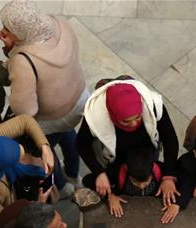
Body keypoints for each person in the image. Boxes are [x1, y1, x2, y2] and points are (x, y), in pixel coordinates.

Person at [0, 0, 87, 195]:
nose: (0, 33)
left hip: (54, 115)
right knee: (68, 133)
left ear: (21, 33)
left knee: (44, 148)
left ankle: (63, 186)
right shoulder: (59, 23)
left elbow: (25, 112)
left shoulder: (24, 61)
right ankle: (74, 174)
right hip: (78, 99)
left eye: (7, 30)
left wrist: (12, 54)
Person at [76, 79, 180, 210]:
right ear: (112, 115)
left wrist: (168, 176)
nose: (134, 124)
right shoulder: (96, 116)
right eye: (125, 121)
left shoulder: (152, 104)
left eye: (138, 117)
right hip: (116, 156)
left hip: (146, 153)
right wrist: (99, 173)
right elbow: (82, 144)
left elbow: (170, 139)